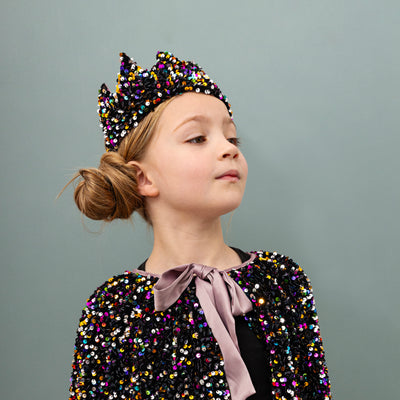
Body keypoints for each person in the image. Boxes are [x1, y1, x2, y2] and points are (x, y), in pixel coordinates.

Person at [67, 51, 331, 400]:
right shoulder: (111, 310)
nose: (228, 149)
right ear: (143, 178)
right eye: (197, 138)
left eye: (232, 138)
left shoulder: (283, 281)